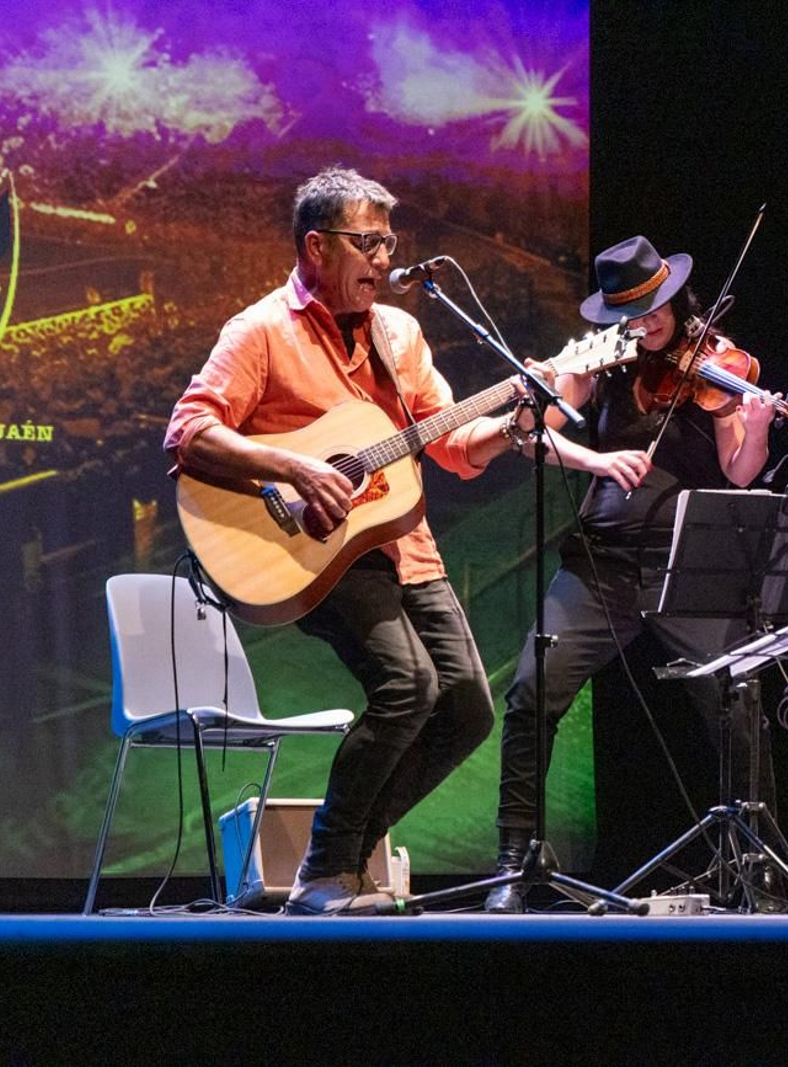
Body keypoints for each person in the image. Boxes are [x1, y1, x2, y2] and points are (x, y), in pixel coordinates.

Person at [164, 167, 518, 914]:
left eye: (390, 242)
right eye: (369, 243)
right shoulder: (260, 330)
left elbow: (453, 445)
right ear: (316, 247)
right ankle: (326, 870)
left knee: (467, 709)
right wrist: (293, 465)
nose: (385, 258)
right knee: (408, 688)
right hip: (315, 551)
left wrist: (518, 420)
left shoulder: (401, 333)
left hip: (404, 545)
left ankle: (347, 859)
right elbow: (188, 431)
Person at [483, 235, 779, 912]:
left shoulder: (717, 363)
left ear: (676, 299)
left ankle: (755, 866)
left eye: (655, 309)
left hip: (689, 565)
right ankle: (513, 860)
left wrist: (757, 423)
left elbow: (739, 470)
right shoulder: (599, 361)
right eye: (631, 313)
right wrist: (595, 459)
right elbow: (536, 436)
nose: (646, 324)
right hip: (602, 562)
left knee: (741, 704)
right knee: (532, 686)